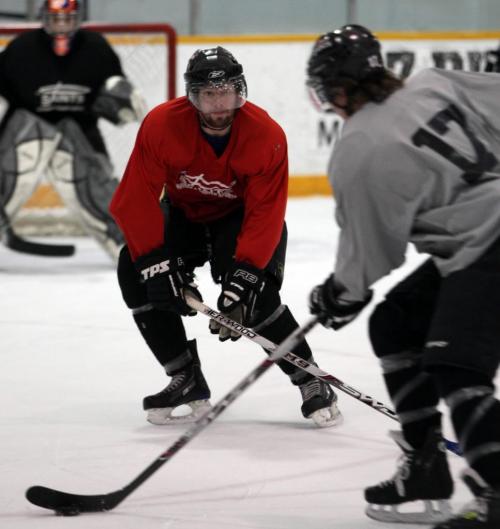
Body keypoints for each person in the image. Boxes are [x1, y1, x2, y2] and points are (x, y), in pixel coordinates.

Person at [306, 24, 500, 529]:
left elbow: (369, 256)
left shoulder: (360, 147)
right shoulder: (434, 82)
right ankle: (426, 468)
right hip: (475, 244)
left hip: (488, 245)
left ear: (337, 90)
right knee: (395, 325)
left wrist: (338, 296)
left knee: (458, 365)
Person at [109, 46, 342, 429]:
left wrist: (245, 275)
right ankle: (185, 377)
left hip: (239, 221)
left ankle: (310, 379)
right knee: (133, 271)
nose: (220, 105)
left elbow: (266, 211)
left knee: (256, 296)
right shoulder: (161, 125)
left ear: (240, 90)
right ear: (193, 96)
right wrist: (156, 264)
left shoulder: (266, 135)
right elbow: (135, 199)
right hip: (184, 216)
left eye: (228, 93)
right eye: (209, 95)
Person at [0, 0, 146, 260]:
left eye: (67, 19)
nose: (61, 25)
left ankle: (128, 248)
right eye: (56, 18)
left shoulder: (97, 49)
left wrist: (123, 104)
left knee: (99, 191)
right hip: (24, 129)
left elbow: (110, 98)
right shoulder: (21, 49)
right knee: (8, 176)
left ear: (78, 19)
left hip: (80, 132)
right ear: (44, 18)